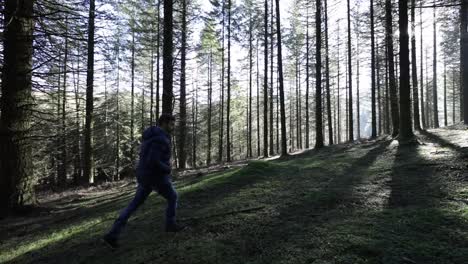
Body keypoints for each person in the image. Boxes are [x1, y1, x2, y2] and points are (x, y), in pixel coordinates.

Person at [103, 114, 185, 249]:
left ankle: (112, 234)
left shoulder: (150, 136)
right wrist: (167, 168)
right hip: (155, 176)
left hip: (144, 175)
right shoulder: (160, 138)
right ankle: (170, 225)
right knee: (173, 196)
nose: (173, 126)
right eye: (171, 124)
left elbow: (148, 157)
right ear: (163, 123)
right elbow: (153, 160)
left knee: (134, 204)